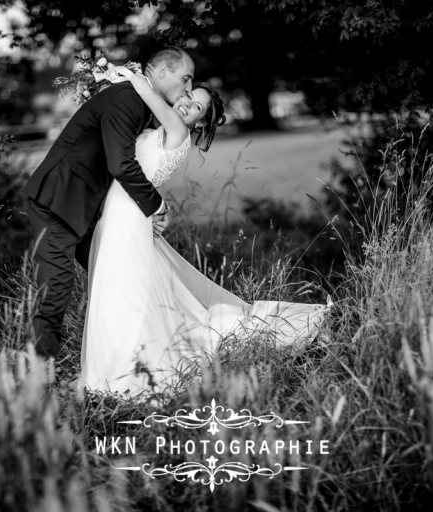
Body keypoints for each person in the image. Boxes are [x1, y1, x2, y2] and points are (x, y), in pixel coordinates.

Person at [76, 66, 332, 396]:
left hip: (127, 217)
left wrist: (118, 74)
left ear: (199, 122)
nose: (185, 105)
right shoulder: (160, 126)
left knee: (128, 292)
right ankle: (114, 365)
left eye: (196, 107)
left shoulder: (177, 131)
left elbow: (145, 90)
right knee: (122, 290)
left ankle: (125, 372)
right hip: (121, 215)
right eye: (186, 96)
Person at [23, 47, 195, 361]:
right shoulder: (127, 99)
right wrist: (157, 206)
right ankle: (41, 369)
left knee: (118, 278)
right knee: (57, 286)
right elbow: (121, 164)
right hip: (59, 200)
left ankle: (132, 354)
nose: (187, 88)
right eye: (185, 78)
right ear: (161, 72)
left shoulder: (141, 103)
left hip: (89, 208)